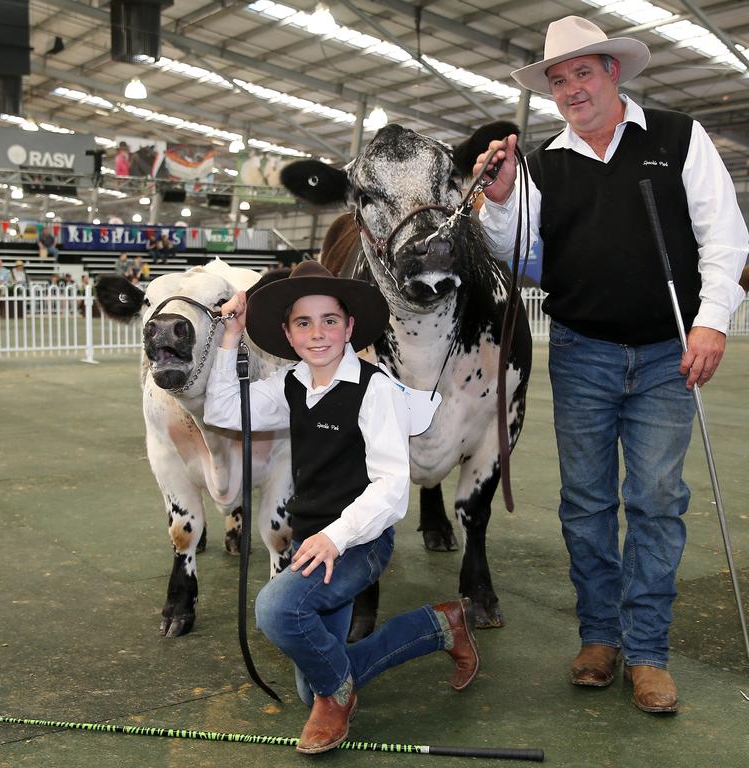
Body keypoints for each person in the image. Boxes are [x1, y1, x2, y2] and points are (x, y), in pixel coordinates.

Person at [474, 16, 748, 714]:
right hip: (581, 350)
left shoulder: (678, 137)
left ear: (613, 73)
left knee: (656, 500)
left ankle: (649, 653)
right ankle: (600, 638)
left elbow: (725, 235)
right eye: (558, 80)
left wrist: (712, 320)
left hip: (669, 354)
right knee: (586, 504)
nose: (571, 89)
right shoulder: (541, 163)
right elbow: (513, 250)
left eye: (583, 73)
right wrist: (499, 199)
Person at [204, 260, 480, 754]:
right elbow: (225, 409)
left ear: (350, 327)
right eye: (303, 323)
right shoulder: (290, 384)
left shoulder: (375, 390)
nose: (318, 333)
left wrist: (337, 537)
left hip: (360, 542)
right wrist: (230, 338)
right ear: (288, 334)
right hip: (312, 540)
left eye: (330, 320)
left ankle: (337, 697)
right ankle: (441, 624)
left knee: (276, 609)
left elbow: (392, 486)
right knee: (316, 684)